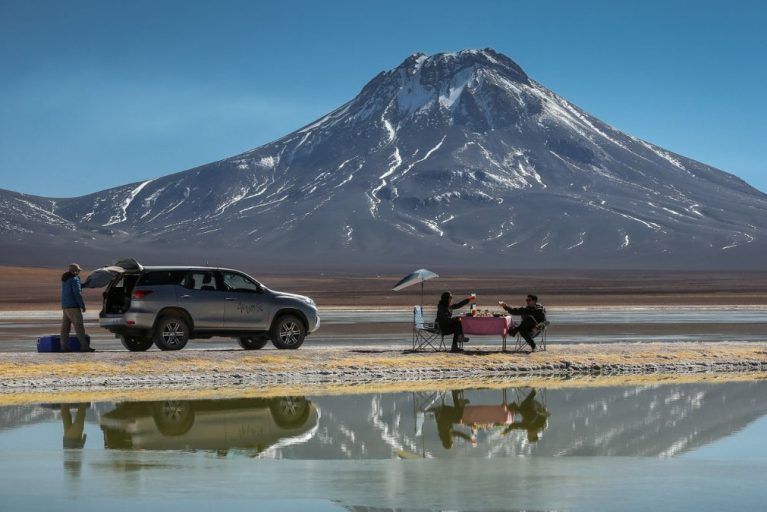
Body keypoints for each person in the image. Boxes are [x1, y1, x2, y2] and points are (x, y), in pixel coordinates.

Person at [61, 263, 94, 352]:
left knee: (65, 328)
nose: (79, 272)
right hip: (73, 307)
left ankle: (63, 347)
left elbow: (75, 287)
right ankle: (84, 347)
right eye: (78, 270)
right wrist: (82, 305)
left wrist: (84, 284)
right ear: (74, 271)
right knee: (79, 327)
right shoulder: (74, 279)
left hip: (65, 307)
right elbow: (77, 293)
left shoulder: (65, 279)